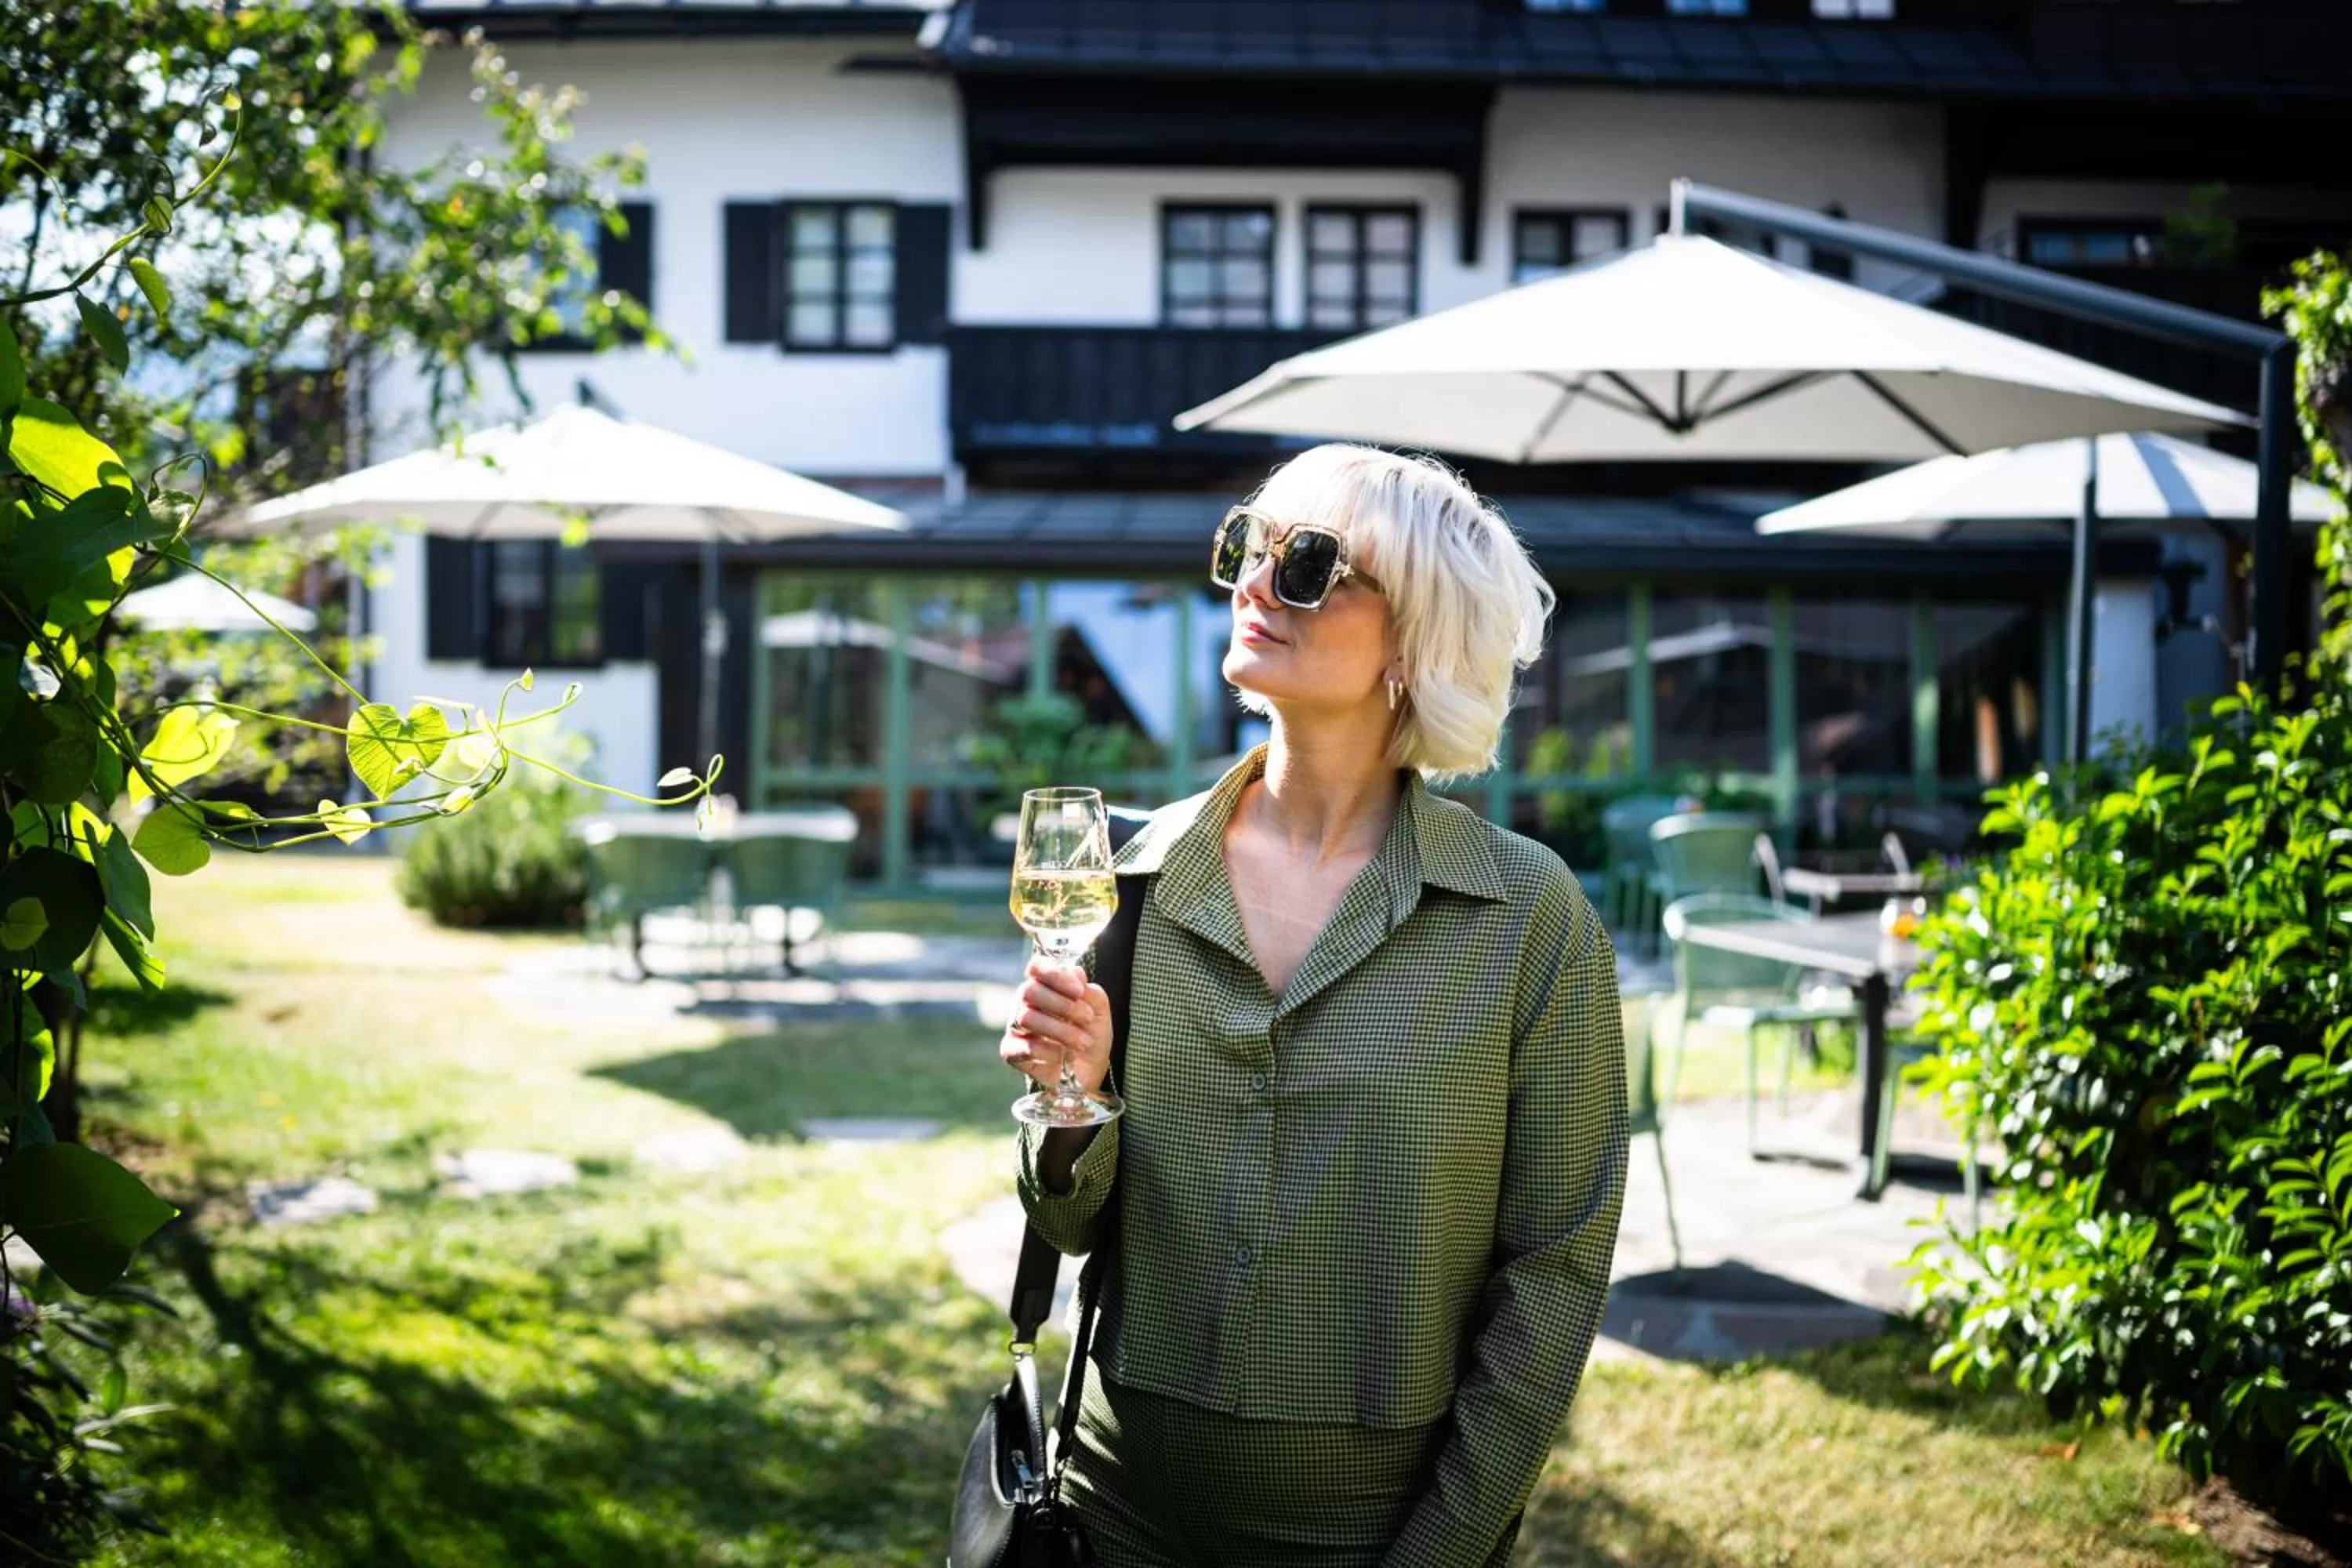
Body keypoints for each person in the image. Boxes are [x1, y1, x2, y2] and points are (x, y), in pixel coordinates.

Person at [999, 444, 1628, 1568]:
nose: (1252, 580)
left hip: (1369, 1537)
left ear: (1416, 639)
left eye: (1310, 565)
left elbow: (1555, 1280)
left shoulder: (1529, 919)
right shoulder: (1137, 875)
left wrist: (1439, 1553)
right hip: (1114, 1511)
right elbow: (1072, 1231)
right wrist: (1073, 1102)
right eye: (1247, 546)